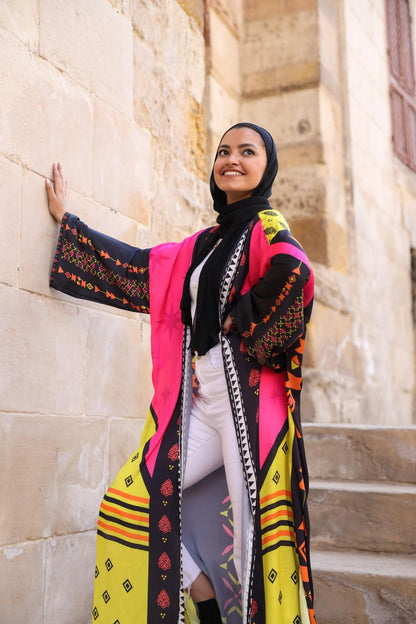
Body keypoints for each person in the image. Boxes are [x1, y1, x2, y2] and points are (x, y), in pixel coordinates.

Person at [46, 123, 316, 624]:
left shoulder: (267, 227)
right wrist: (70, 225)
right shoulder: (204, 245)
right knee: (129, 501)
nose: (232, 159)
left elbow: (296, 272)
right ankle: (206, 599)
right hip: (202, 403)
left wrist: (237, 331)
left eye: (247, 151)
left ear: (266, 167)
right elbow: (137, 270)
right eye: (224, 151)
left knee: (251, 542)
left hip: (248, 409)